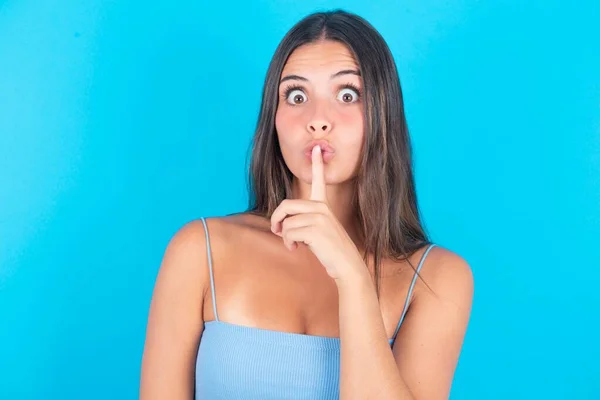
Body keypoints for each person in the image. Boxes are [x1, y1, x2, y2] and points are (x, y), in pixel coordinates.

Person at [140, 9, 473, 400]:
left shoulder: (438, 279)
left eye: (348, 94)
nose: (317, 120)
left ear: (383, 113)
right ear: (274, 118)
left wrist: (352, 277)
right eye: (296, 95)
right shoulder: (200, 250)